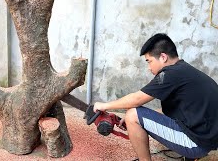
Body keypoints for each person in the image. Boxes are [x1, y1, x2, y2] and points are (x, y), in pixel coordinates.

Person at [93, 33, 218, 161]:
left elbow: (137, 99)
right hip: (207, 140)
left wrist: (103, 105)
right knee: (138, 115)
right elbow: (170, 112)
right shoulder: (184, 70)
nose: (149, 68)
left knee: (132, 115)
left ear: (163, 57)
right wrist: (145, 118)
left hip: (197, 144)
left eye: (149, 61)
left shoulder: (170, 74)